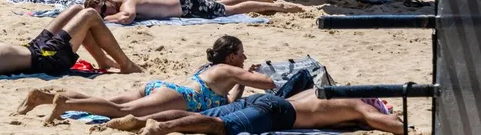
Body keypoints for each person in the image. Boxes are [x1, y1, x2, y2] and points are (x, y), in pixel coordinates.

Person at [23, 35, 276, 124]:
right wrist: (251, 74)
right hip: (179, 98)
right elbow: (268, 83)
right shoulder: (228, 69)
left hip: (161, 88)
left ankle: (43, 97)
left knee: (104, 101)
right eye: (241, 54)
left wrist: (242, 82)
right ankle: (66, 105)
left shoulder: (212, 68)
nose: (244, 57)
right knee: (119, 111)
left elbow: (227, 101)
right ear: (232, 56)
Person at [97, 89, 403, 134]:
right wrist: (397, 120)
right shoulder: (359, 105)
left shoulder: (326, 92)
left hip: (268, 99)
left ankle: (138, 121)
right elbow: (390, 126)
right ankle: (162, 128)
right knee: (221, 126)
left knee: (216, 114)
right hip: (278, 111)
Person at [0, 5, 141, 78]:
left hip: (33, 47)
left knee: (76, 9)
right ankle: (126, 65)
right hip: (45, 59)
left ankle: (103, 61)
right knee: (90, 15)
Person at [83, 0, 301, 24]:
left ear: (107, 0)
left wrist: (101, 19)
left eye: (104, 8)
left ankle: (279, 6)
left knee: (228, 11)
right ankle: (263, 0)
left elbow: (127, 17)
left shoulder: (126, 3)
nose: (106, 13)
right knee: (218, 4)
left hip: (185, 6)